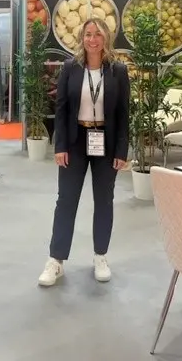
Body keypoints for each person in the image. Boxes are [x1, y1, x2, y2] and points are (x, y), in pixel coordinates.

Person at [38, 18, 130, 287]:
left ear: (106, 38)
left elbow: (123, 114)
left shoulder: (118, 71)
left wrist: (122, 150)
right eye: (88, 34)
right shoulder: (71, 67)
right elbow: (61, 109)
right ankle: (56, 260)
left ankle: (100, 256)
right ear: (82, 38)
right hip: (75, 141)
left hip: (106, 143)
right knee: (66, 201)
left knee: (104, 201)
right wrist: (60, 146)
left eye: (97, 34)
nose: (92, 39)